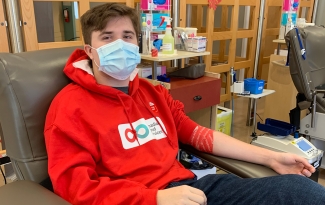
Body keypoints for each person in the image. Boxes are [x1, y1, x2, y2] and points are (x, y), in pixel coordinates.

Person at [44, 3, 325, 205]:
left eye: (127, 36)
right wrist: (153, 198)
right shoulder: (70, 107)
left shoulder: (151, 93)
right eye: (107, 37)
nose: (120, 44)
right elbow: (75, 187)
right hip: (139, 199)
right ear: (91, 51)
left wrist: (270, 157)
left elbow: (197, 135)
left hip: (191, 189)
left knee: (299, 191)